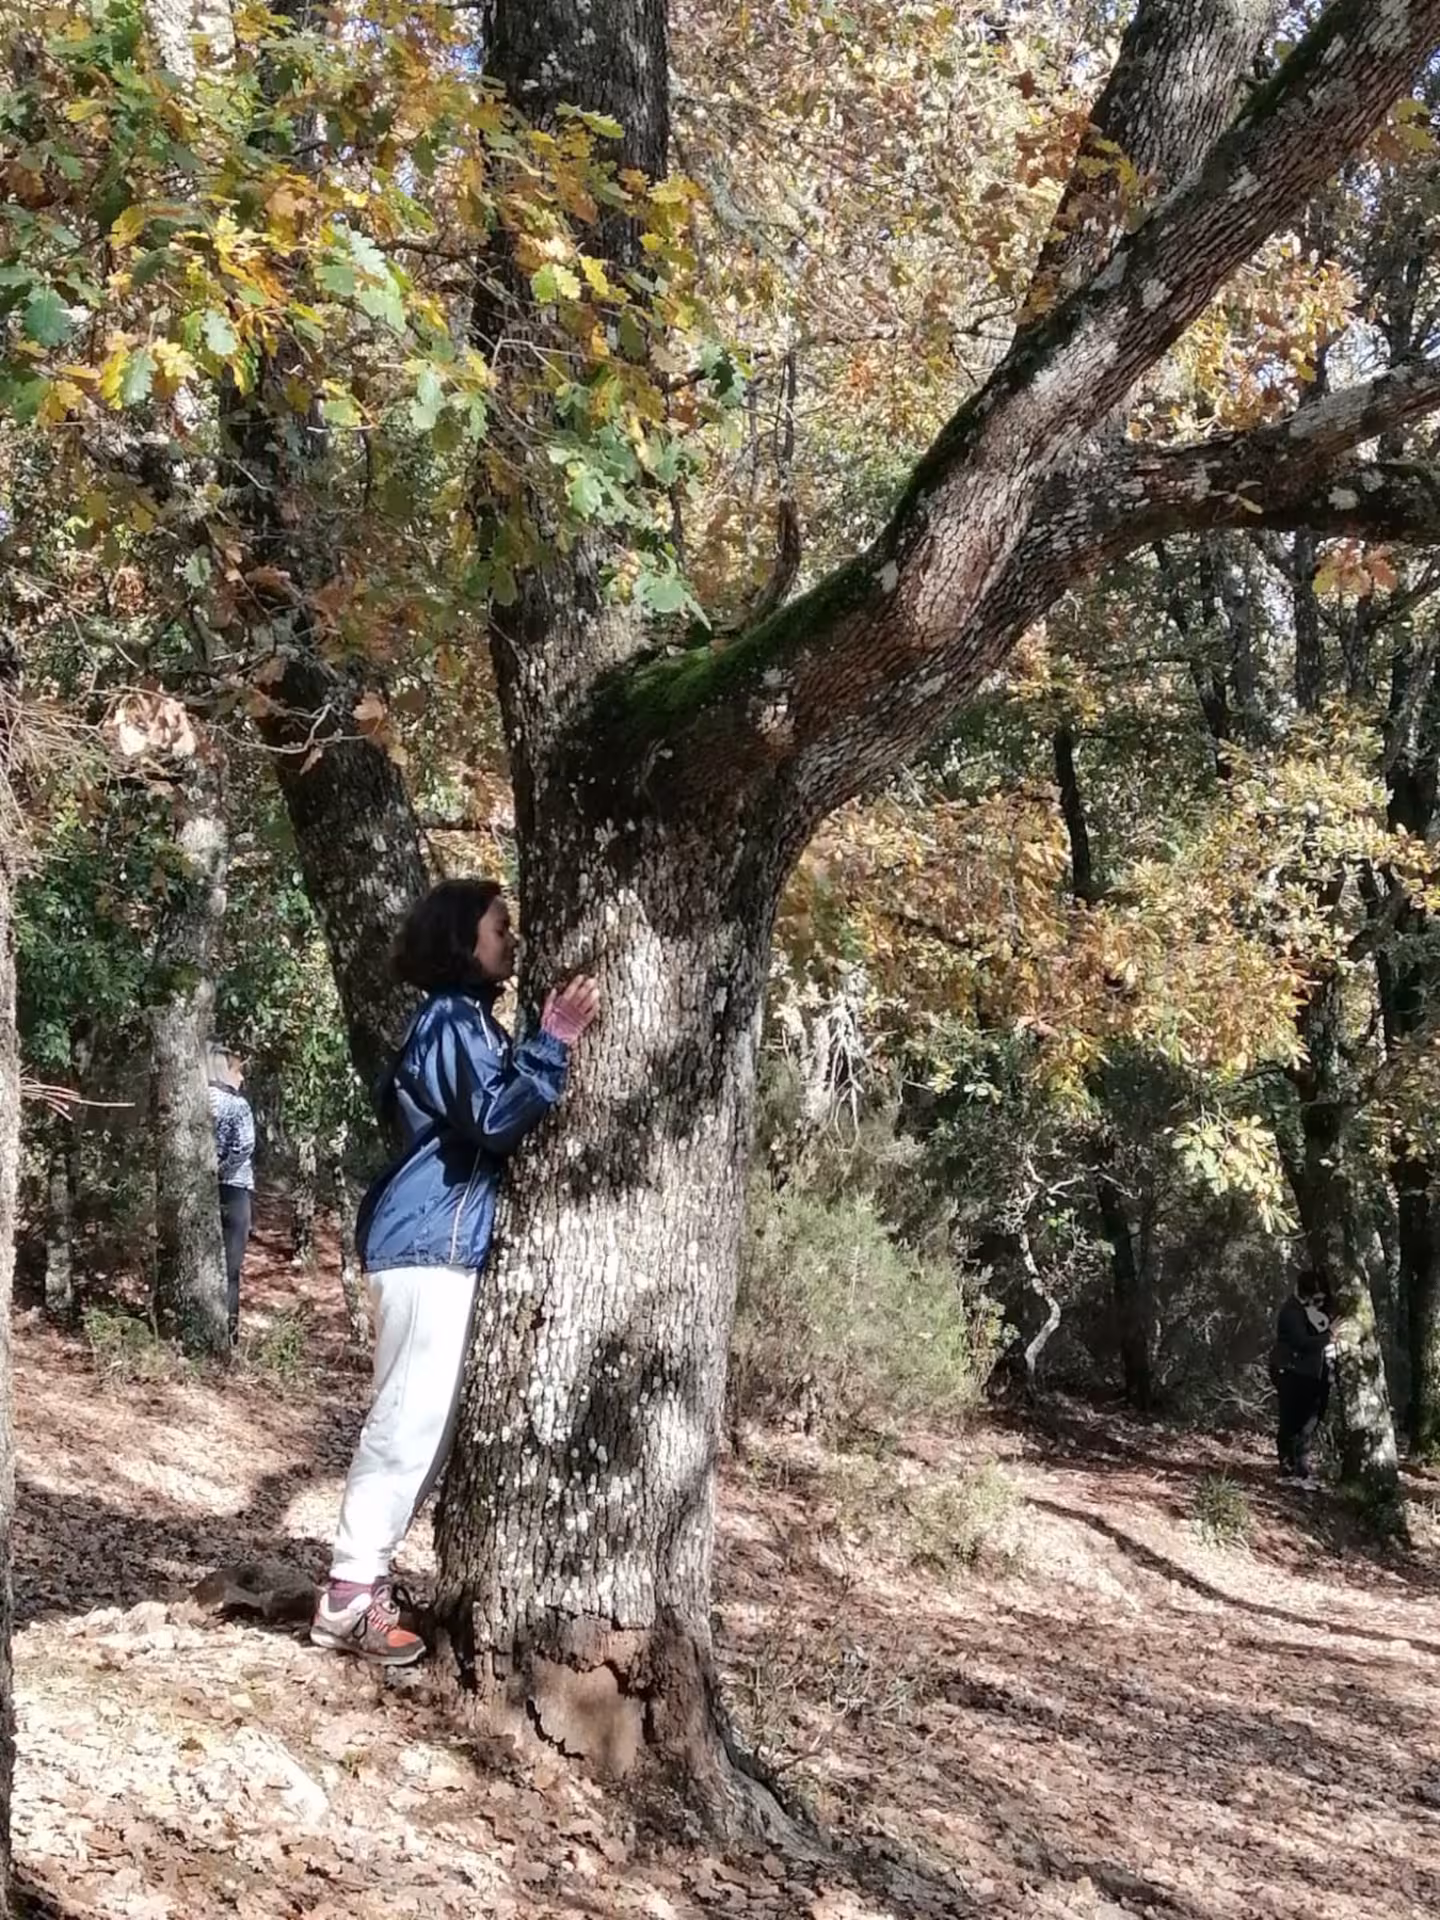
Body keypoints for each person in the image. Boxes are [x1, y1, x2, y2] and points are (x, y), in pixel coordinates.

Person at [310, 879, 600, 1666]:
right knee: (405, 1423)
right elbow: (498, 1119)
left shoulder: (466, 1020)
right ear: (460, 938)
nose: (510, 937)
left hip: (440, 1245)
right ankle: (346, 1598)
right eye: (498, 926)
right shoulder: (449, 1019)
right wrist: (555, 1040)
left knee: (424, 1431)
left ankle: (359, 1588)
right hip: (426, 1245)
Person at [207, 1043, 255, 1348]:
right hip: (233, 1189)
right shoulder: (236, 1105)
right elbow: (245, 1145)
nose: (242, 1078)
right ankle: (228, 1336)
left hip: (202, 1188)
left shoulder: (195, 1099)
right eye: (239, 1070)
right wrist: (223, 1170)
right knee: (230, 1269)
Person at [1268, 1269, 1335, 1484]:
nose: (1319, 1302)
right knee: (1291, 1420)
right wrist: (1330, 1336)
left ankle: (1301, 1468)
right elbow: (1302, 1342)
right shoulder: (1292, 1311)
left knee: (1310, 1420)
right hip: (1290, 1370)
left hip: (1312, 1374)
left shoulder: (1313, 1310)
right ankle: (1287, 1468)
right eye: (1316, 1298)